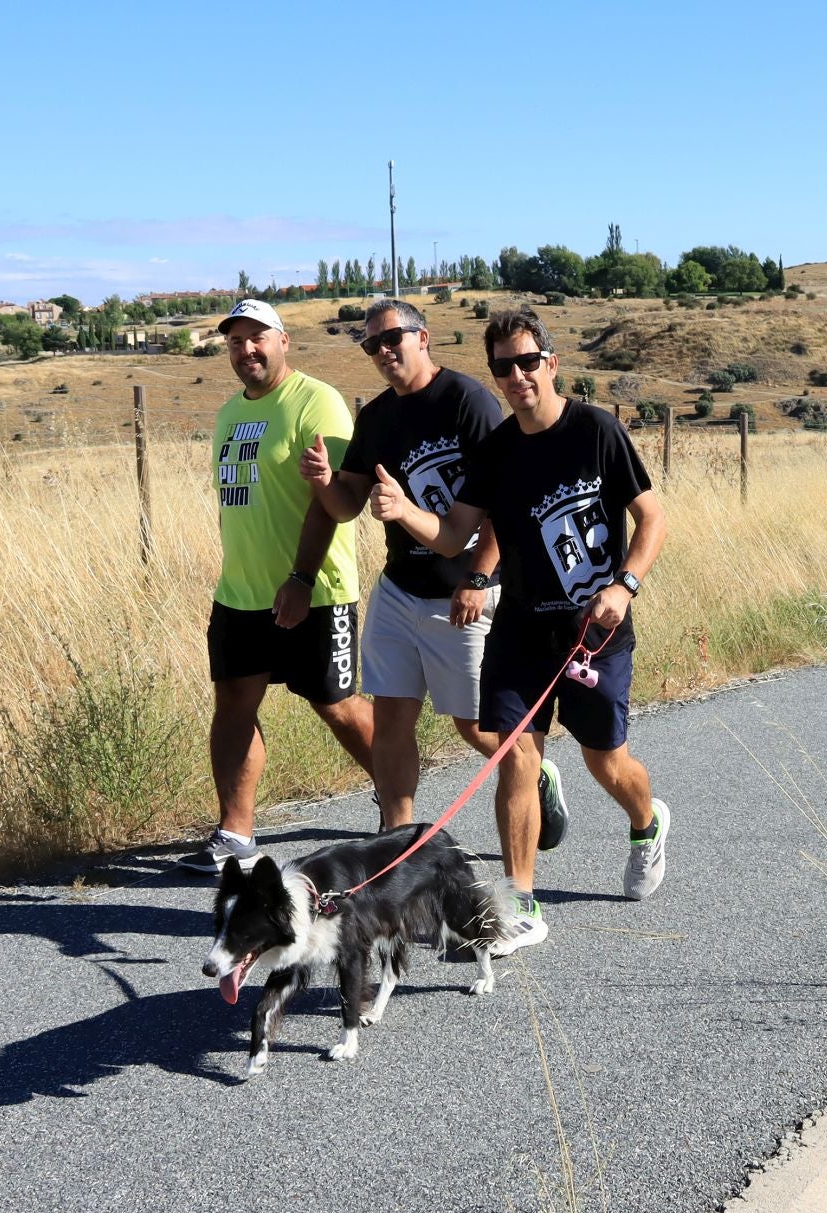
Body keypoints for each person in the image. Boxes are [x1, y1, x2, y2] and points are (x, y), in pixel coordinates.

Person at [368, 309, 669, 953]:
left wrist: (624, 586)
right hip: (521, 633)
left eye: (526, 362)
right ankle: (521, 903)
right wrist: (403, 513)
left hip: (595, 632)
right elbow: (455, 535)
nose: (515, 376)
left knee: (606, 763)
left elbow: (651, 520)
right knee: (515, 756)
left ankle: (647, 824)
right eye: (502, 366)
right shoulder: (498, 451)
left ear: (551, 363)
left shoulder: (597, 431)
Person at [296, 298, 568, 841]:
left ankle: (535, 773)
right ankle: (398, 843)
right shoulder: (375, 417)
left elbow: (504, 501)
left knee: (474, 724)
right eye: (372, 344)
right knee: (392, 719)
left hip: (462, 591)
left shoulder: (467, 401)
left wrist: (478, 577)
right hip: (401, 590)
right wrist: (326, 480)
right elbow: (348, 503)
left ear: (424, 337)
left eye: (392, 337)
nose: (383, 351)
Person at [183, 299, 375, 873]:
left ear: (283, 340)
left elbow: (337, 502)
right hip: (241, 593)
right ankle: (235, 838)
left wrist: (300, 577)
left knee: (337, 706)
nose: (247, 350)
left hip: (316, 591)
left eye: (257, 338)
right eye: (236, 341)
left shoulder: (317, 401)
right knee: (234, 705)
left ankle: (400, 810)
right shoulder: (227, 415)